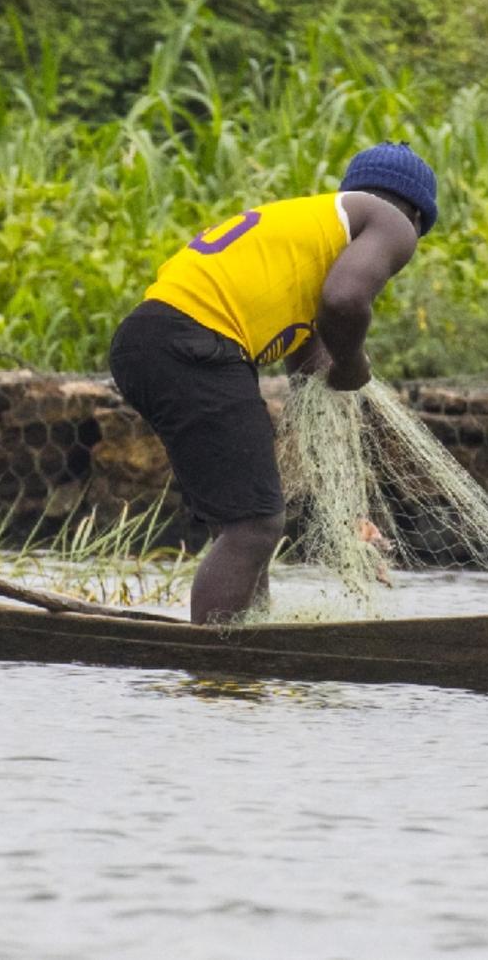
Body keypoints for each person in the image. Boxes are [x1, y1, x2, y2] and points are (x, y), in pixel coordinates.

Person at [107, 142, 437, 623]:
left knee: (248, 518)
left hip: (148, 342)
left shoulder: (311, 237)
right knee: (255, 526)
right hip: (195, 342)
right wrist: (352, 362)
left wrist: (348, 510)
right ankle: (216, 666)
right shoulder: (393, 221)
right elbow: (345, 303)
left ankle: (248, 638)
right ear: (415, 215)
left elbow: (312, 377)